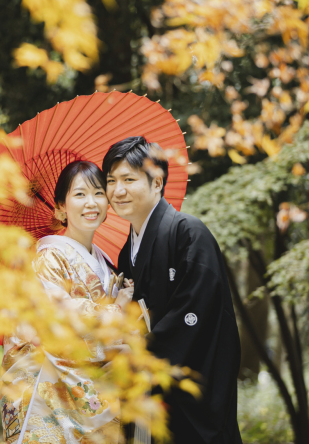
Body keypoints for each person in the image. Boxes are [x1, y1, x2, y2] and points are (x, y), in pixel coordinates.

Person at [102, 137, 242, 444]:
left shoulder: (189, 234)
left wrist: (140, 351)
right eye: (111, 181)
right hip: (149, 395)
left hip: (189, 397)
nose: (118, 190)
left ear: (157, 182)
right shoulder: (128, 253)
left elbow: (196, 316)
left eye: (129, 179)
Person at [1, 160, 135, 444]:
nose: (92, 203)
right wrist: (116, 308)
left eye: (99, 193)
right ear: (60, 208)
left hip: (98, 389)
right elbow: (59, 319)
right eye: (80, 194)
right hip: (51, 391)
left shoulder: (107, 264)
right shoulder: (48, 257)